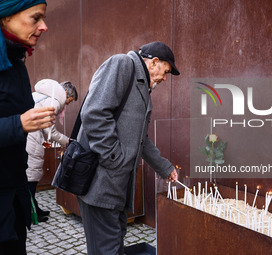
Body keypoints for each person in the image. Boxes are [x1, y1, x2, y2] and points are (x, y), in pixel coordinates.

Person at [77, 41, 180, 255]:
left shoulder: (142, 85)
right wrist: (116, 159)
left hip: (116, 188)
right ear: (154, 63)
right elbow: (94, 113)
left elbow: (141, 140)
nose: (164, 78)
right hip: (101, 184)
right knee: (108, 250)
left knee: (113, 246)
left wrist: (165, 168)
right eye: (166, 72)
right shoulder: (122, 64)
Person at [0, 1, 54, 254]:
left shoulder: (16, 61)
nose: (44, 26)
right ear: (4, 17)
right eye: (35, 18)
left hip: (12, 197)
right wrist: (19, 124)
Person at [26, 79, 78, 222]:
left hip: (28, 134)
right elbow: (50, 131)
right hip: (31, 137)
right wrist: (68, 141)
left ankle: (33, 208)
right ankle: (30, 213)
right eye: (69, 100)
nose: (67, 104)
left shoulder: (42, 95)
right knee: (31, 175)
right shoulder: (54, 101)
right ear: (66, 93)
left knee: (30, 175)